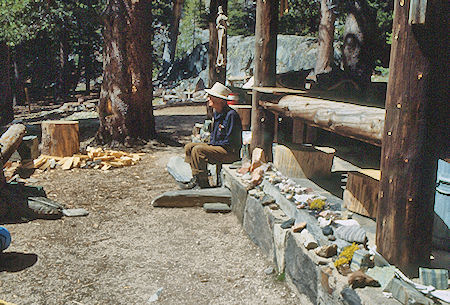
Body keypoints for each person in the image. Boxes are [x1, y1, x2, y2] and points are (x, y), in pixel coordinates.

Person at [183, 82, 242, 189]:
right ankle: (196, 176)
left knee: (198, 150)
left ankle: (202, 182)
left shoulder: (231, 115)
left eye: (211, 97)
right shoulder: (217, 113)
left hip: (229, 152)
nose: (208, 98)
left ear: (220, 100)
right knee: (189, 147)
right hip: (218, 146)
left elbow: (231, 141)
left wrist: (212, 145)